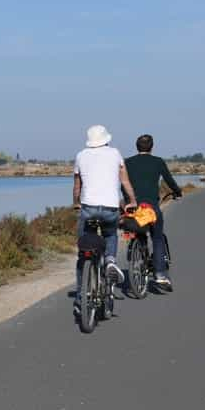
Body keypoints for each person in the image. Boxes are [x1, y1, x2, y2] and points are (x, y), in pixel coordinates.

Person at [73, 125, 138, 312]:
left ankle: (80, 297)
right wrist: (132, 200)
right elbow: (125, 181)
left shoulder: (80, 156)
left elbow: (77, 186)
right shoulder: (115, 154)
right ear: (106, 139)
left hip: (88, 209)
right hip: (110, 208)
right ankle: (110, 260)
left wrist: (76, 202)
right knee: (110, 234)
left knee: (83, 251)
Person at [123, 134, 182, 289]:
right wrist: (177, 191)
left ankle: (137, 251)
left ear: (137, 147)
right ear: (152, 147)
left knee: (136, 230)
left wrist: (128, 201)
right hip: (151, 208)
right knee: (157, 237)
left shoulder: (127, 162)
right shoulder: (158, 162)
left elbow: (123, 184)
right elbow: (168, 180)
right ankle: (160, 274)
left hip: (134, 206)